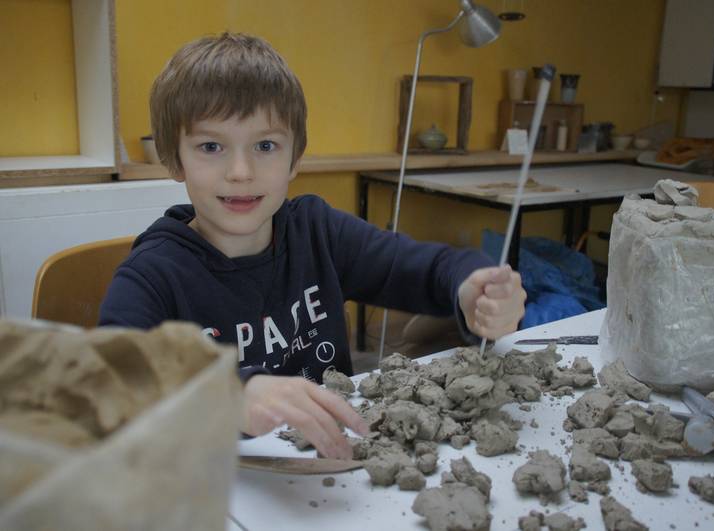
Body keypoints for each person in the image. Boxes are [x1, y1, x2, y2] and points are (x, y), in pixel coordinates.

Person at [99, 32, 526, 460]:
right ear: (174, 159)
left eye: (265, 145)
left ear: (295, 158)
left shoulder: (318, 232)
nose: (241, 171)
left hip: (334, 467)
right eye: (211, 146)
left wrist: (473, 289)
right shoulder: (153, 273)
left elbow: (431, 268)